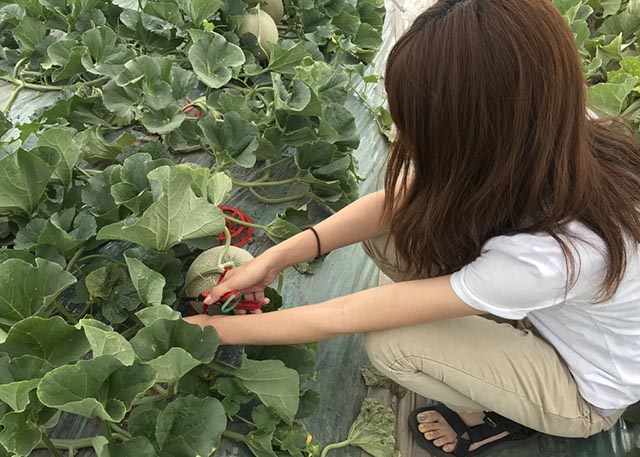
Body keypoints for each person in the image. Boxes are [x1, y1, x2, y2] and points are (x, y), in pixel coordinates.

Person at [184, 0, 640, 455]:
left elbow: (342, 318)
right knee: (397, 233)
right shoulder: (551, 129)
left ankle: (489, 419)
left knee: (394, 344)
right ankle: (491, 337)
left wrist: (211, 330)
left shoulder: (554, 253)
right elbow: (393, 204)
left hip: (580, 388)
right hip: (549, 306)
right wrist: (274, 258)